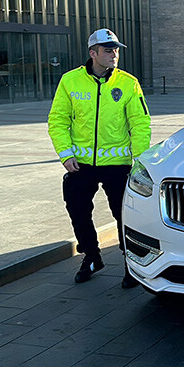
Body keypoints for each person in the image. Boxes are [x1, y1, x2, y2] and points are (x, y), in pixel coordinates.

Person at [48, 29, 151, 286]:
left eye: (116, 49)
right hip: (80, 165)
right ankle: (92, 256)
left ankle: (131, 263)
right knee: (77, 210)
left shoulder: (128, 83)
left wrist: (139, 161)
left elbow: (140, 123)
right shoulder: (70, 81)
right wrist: (65, 153)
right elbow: (57, 120)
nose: (114, 54)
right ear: (93, 53)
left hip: (118, 165)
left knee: (124, 215)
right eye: (108, 50)